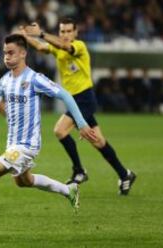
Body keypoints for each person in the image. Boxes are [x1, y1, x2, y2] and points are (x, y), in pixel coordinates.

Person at [0, 34, 97, 227]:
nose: (6, 57)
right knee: (24, 181)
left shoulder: (35, 79)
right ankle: (69, 190)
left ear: (23, 53)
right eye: (4, 53)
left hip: (27, 144)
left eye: (11, 53)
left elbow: (65, 95)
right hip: (13, 143)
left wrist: (81, 123)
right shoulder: (7, 79)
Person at [20, 18, 136, 195]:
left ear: (75, 33)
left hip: (84, 98)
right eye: (62, 31)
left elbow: (65, 47)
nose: (65, 35)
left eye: (68, 31)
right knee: (98, 141)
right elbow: (42, 47)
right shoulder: (57, 48)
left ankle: (79, 171)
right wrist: (26, 36)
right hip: (74, 100)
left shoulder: (79, 46)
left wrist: (42, 34)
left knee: (60, 130)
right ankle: (125, 174)